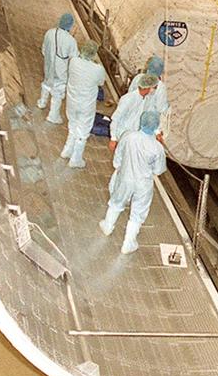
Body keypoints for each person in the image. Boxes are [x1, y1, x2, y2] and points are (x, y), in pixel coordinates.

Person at [99, 110, 166, 254]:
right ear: (156, 126)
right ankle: (128, 244)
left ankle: (107, 226)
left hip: (125, 177)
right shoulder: (157, 148)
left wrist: (118, 167)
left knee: (116, 201)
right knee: (138, 213)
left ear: (141, 122)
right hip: (143, 183)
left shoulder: (128, 136)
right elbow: (159, 170)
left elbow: (118, 155)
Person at [60, 40, 106, 170]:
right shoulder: (98, 69)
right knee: (83, 131)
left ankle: (66, 150)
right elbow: (101, 82)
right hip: (86, 105)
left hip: (72, 102)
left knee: (73, 125)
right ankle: (75, 159)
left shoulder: (73, 61)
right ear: (94, 53)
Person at [37, 13, 77, 124]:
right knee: (58, 93)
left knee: (46, 83)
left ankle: (42, 102)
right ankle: (53, 116)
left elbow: (43, 50)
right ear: (70, 25)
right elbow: (74, 60)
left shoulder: (49, 33)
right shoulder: (71, 41)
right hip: (61, 71)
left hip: (48, 66)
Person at [109, 73, 158, 152]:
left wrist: (157, 132)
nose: (155, 90)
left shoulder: (147, 99)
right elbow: (116, 118)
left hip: (134, 136)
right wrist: (113, 138)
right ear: (148, 87)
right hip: (122, 135)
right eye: (154, 87)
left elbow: (150, 117)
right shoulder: (128, 99)